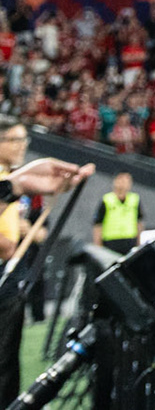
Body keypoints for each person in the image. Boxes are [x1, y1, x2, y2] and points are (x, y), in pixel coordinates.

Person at [0, 117, 95, 400]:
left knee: (6, 361)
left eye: (24, 140)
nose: (22, 146)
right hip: (7, 268)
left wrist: (18, 185)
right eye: (15, 140)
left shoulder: (8, 178)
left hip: (10, 272)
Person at [92, 171, 143, 254]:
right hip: (111, 241)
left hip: (129, 240)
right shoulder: (107, 200)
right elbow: (98, 224)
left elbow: (139, 222)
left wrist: (138, 242)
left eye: (127, 181)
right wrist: (98, 246)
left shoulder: (134, 199)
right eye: (122, 180)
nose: (125, 184)